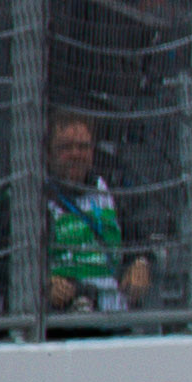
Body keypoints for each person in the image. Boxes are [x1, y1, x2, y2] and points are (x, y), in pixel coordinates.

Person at [41, 114, 154, 316]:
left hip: (114, 322)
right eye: (66, 148)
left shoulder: (110, 191)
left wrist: (141, 264)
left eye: (83, 147)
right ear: (48, 154)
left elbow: (142, 245)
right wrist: (43, 285)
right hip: (58, 326)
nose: (76, 154)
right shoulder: (30, 200)